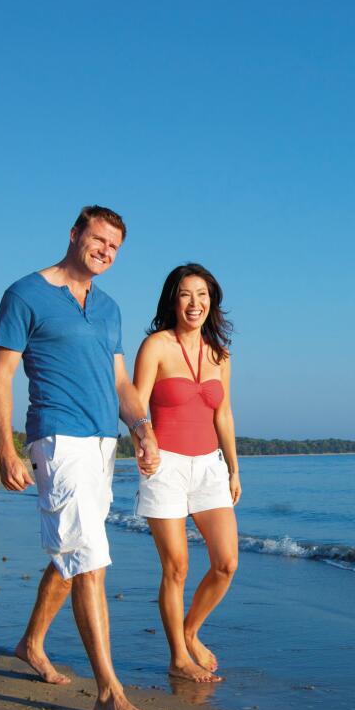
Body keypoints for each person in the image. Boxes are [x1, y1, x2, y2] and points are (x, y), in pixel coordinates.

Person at [0, 205, 161, 710]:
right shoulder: (25, 294)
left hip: (103, 443)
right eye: (98, 239)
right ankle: (109, 691)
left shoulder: (108, 308)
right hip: (57, 438)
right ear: (74, 234)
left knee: (73, 550)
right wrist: (5, 448)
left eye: (114, 247)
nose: (104, 251)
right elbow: (1, 376)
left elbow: (121, 384)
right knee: (89, 558)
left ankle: (31, 643)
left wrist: (143, 428)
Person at [132, 263, 240, 683]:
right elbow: (136, 405)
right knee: (176, 567)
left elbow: (225, 414)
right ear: (172, 300)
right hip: (165, 466)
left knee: (226, 563)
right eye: (185, 294)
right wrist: (143, 443)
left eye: (202, 295)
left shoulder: (220, 354)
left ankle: (190, 630)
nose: (194, 303)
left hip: (210, 466)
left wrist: (233, 468)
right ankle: (178, 657)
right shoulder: (156, 346)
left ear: (211, 302)